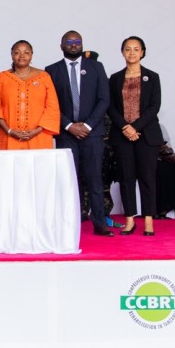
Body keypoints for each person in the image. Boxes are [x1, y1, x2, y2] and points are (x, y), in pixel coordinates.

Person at [46, 31, 111, 237]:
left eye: (77, 42)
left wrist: (88, 126)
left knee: (94, 180)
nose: (73, 45)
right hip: (66, 134)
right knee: (69, 180)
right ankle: (69, 224)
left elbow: (104, 99)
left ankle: (99, 223)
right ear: (61, 45)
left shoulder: (96, 67)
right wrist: (69, 126)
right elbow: (51, 104)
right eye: (69, 42)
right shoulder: (52, 70)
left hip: (92, 134)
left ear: (82, 44)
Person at [106, 36, 162, 236]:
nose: (132, 53)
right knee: (126, 178)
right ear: (122, 52)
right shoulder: (114, 78)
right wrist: (125, 127)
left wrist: (135, 127)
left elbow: (154, 107)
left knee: (147, 178)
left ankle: (148, 220)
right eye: (127, 49)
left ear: (143, 52)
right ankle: (130, 220)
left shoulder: (152, 77)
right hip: (122, 136)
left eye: (136, 49)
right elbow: (110, 106)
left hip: (146, 135)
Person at [0, 40, 60, 151]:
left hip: (39, 137)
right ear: (11, 55)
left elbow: (52, 108)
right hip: (9, 136)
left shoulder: (44, 77)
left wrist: (37, 130)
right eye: (17, 52)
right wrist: (9, 130)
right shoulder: (3, 77)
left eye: (26, 52)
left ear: (31, 55)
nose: (22, 56)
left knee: (39, 167)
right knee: (10, 167)